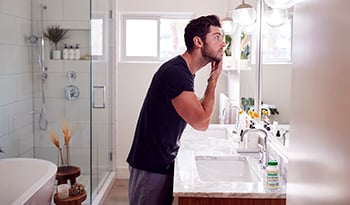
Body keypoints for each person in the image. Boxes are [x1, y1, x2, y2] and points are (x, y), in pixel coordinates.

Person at [126, 14, 226, 205]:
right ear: (198, 41)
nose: (223, 43)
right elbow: (202, 122)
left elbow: (198, 110)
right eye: (217, 37)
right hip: (151, 166)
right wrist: (213, 80)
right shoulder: (176, 73)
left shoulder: (184, 71)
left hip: (159, 162)